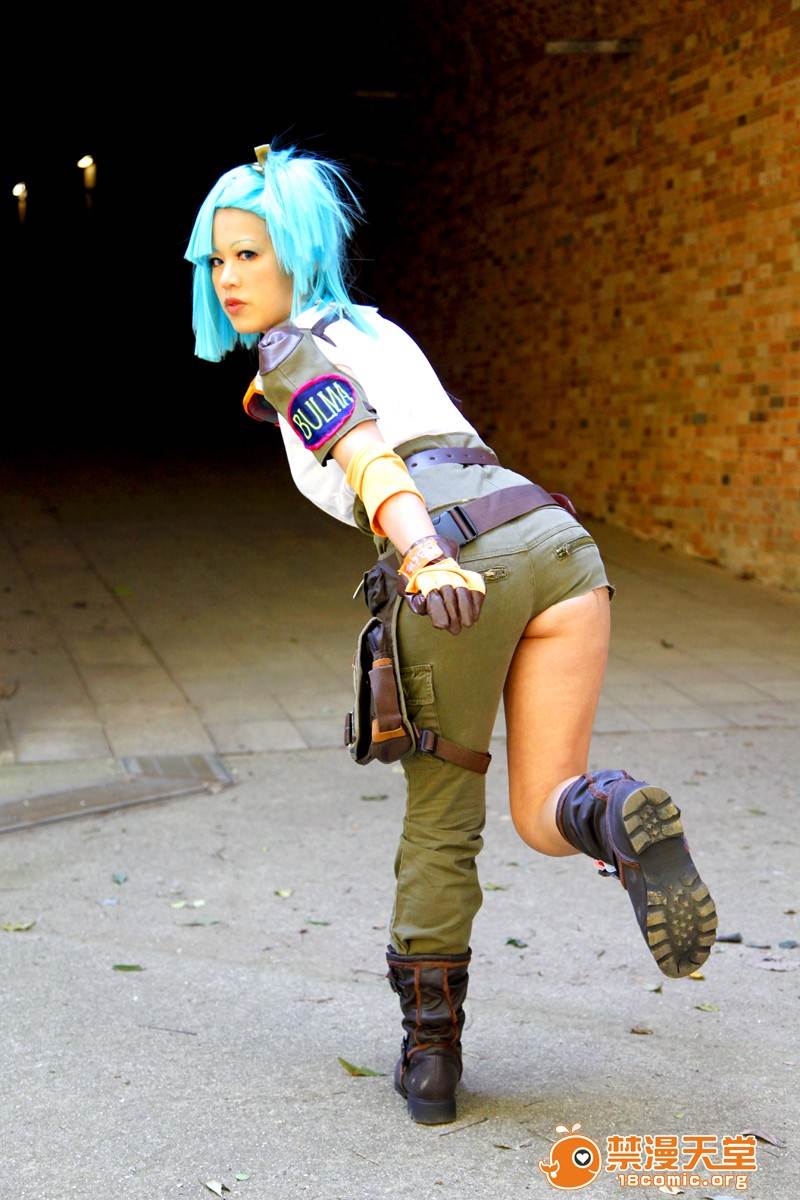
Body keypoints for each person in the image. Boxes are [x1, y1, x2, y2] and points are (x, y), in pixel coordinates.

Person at [185, 142, 718, 1126]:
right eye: (216, 259)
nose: (227, 278)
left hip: (456, 558)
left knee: (442, 822)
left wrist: (425, 553)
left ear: (300, 252)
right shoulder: (379, 331)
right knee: (545, 809)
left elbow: (364, 452)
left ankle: (430, 1061)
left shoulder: (290, 349)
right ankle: (614, 810)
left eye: (249, 254)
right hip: (556, 543)